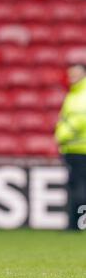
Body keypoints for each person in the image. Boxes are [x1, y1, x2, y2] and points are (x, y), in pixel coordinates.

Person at [55, 64, 86, 230]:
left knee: (79, 189)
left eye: (75, 73)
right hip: (74, 149)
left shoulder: (81, 95)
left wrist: (61, 136)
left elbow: (79, 120)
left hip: (79, 149)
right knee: (77, 188)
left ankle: (76, 224)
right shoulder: (74, 93)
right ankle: (75, 224)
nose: (72, 76)